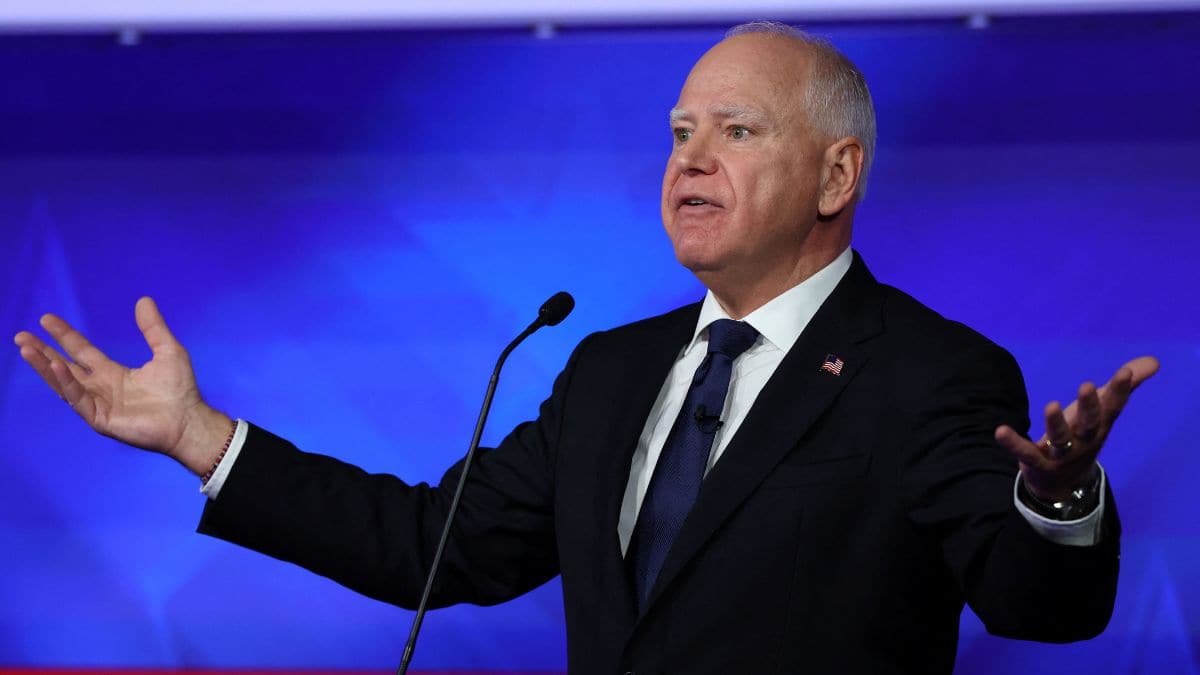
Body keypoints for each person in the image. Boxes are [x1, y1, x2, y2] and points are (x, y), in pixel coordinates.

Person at [13, 22, 1158, 675]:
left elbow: (1038, 611)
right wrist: (204, 441)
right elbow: (433, 547)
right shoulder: (609, 370)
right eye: (678, 133)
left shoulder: (931, 372)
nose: (689, 157)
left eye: (737, 131)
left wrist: (1056, 504)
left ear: (836, 174)